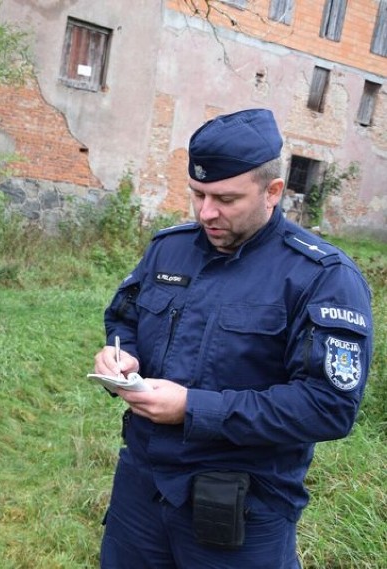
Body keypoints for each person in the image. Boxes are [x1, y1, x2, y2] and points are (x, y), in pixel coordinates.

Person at [93, 108, 372, 568]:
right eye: (197, 194)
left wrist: (193, 408)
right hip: (142, 489)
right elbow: (124, 316)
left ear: (273, 192)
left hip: (241, 507)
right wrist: (121, 356)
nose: (206, 212)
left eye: (225, 198)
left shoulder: (322, 277)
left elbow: (329, 407)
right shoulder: (170, 248)